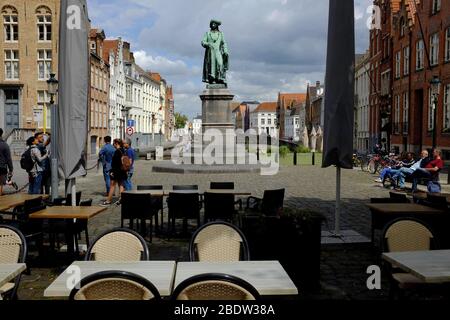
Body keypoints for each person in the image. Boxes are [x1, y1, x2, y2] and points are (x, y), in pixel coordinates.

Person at [202, 19, 229, 86]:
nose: (213, 25)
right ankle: (212, 79)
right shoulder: (207, 33)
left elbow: (224, 43)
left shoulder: (220, 34)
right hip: (210, 52)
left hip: (218, 52)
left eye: (214, 24)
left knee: (220, 64)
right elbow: (203, 42)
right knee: (212, 65)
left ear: (217, 25)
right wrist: (207, 44)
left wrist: (225, 50)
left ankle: (220, 78)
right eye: (212, 24)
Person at [101, 139, 127, 206]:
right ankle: (122, 200)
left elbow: (115, 163)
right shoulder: (123, 150)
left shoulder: (117, 151)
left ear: (116, 143)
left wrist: (112, 171)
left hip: (116, 171)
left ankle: (108, 200)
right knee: (121, 185)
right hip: (122, 170)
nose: (113, 145)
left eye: (114, 143)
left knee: (112, 185)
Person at [0, 128, 14, 196]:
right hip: (1, 167)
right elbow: (8, 159)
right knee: (0, 184)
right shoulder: (5, 145)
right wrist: (11, 169)